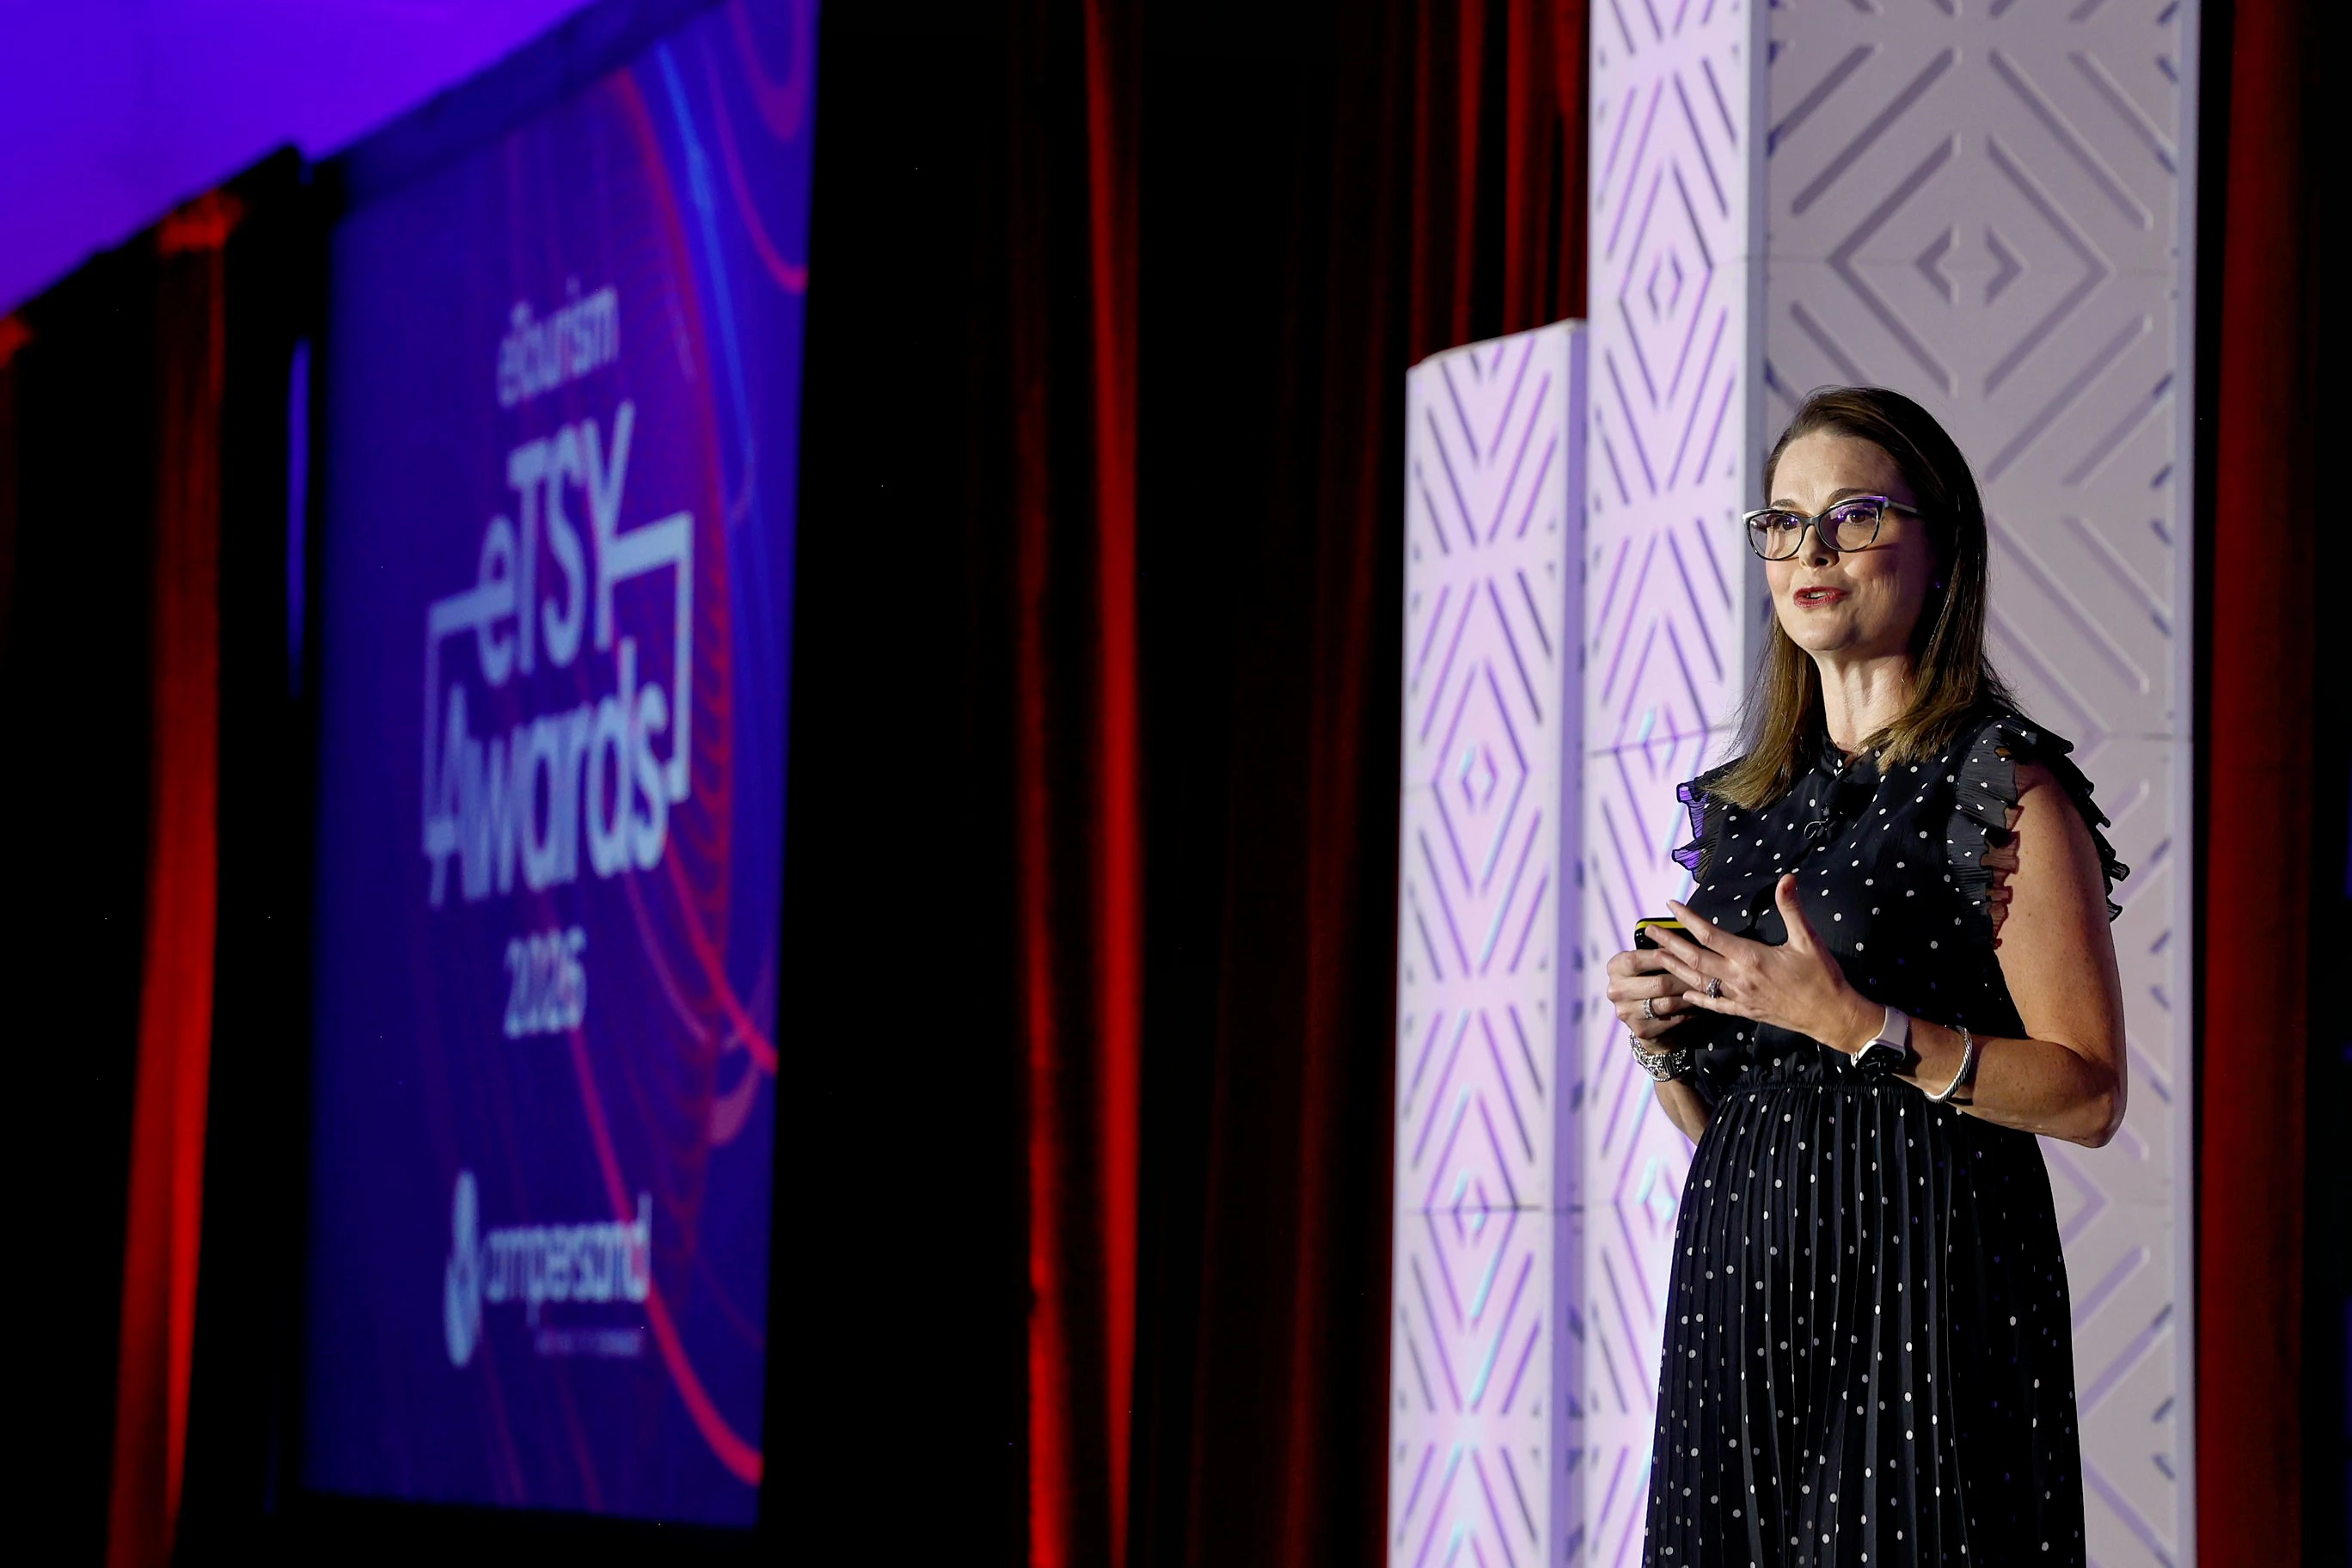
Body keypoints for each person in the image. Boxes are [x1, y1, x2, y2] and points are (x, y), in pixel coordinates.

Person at [1608, 385, 2129, 1566]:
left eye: (1853, 516)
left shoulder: (1997, 784)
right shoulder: (1748, 808)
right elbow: (1733, 1116)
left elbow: (2089, 1093)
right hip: (1738, 1291)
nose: (1811, 551)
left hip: (1924, 1294)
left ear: (1940, 546)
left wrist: (1857, 1024)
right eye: (1784, 522)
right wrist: (1665, 1037)